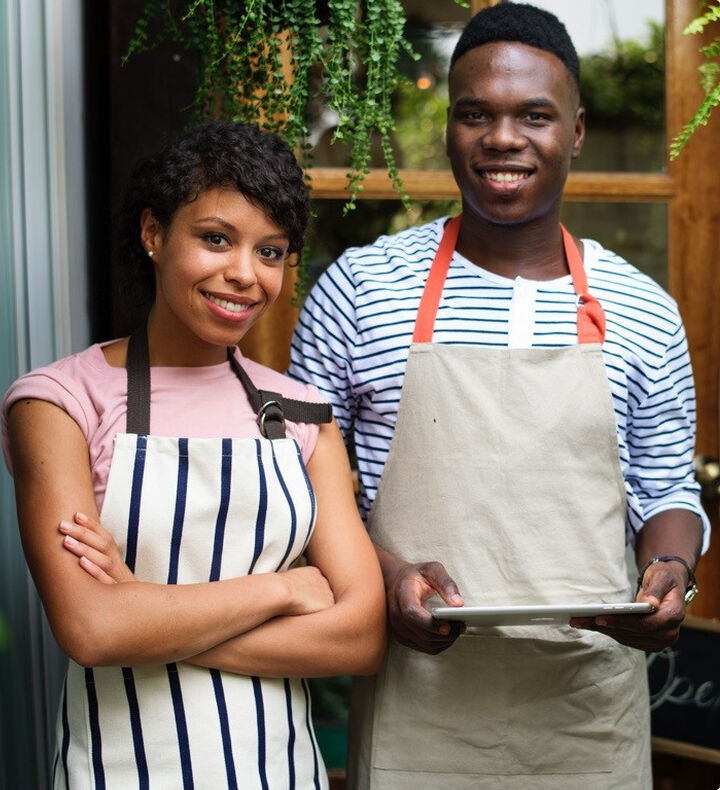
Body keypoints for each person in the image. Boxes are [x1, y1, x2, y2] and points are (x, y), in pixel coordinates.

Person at [288, 4, 708, 789]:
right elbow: (295, 491)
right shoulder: (359, 291)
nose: (503, 139)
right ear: (448, 127)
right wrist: (385, 577)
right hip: (421, 708)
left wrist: (670, 573)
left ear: (576, 131)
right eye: (475, 114)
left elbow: (668, 490)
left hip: (586, 711)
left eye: (535, 116)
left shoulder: (643, 308)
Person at [2, 121, 386, 789]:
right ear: (154, 234)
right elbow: (92, 629)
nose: (244, 274)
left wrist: (145, 614)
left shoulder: (302, 413)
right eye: (216, 239)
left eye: (270, 252)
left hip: (282, 774)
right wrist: (285, 588)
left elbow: (360, 638)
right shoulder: (60, 403)